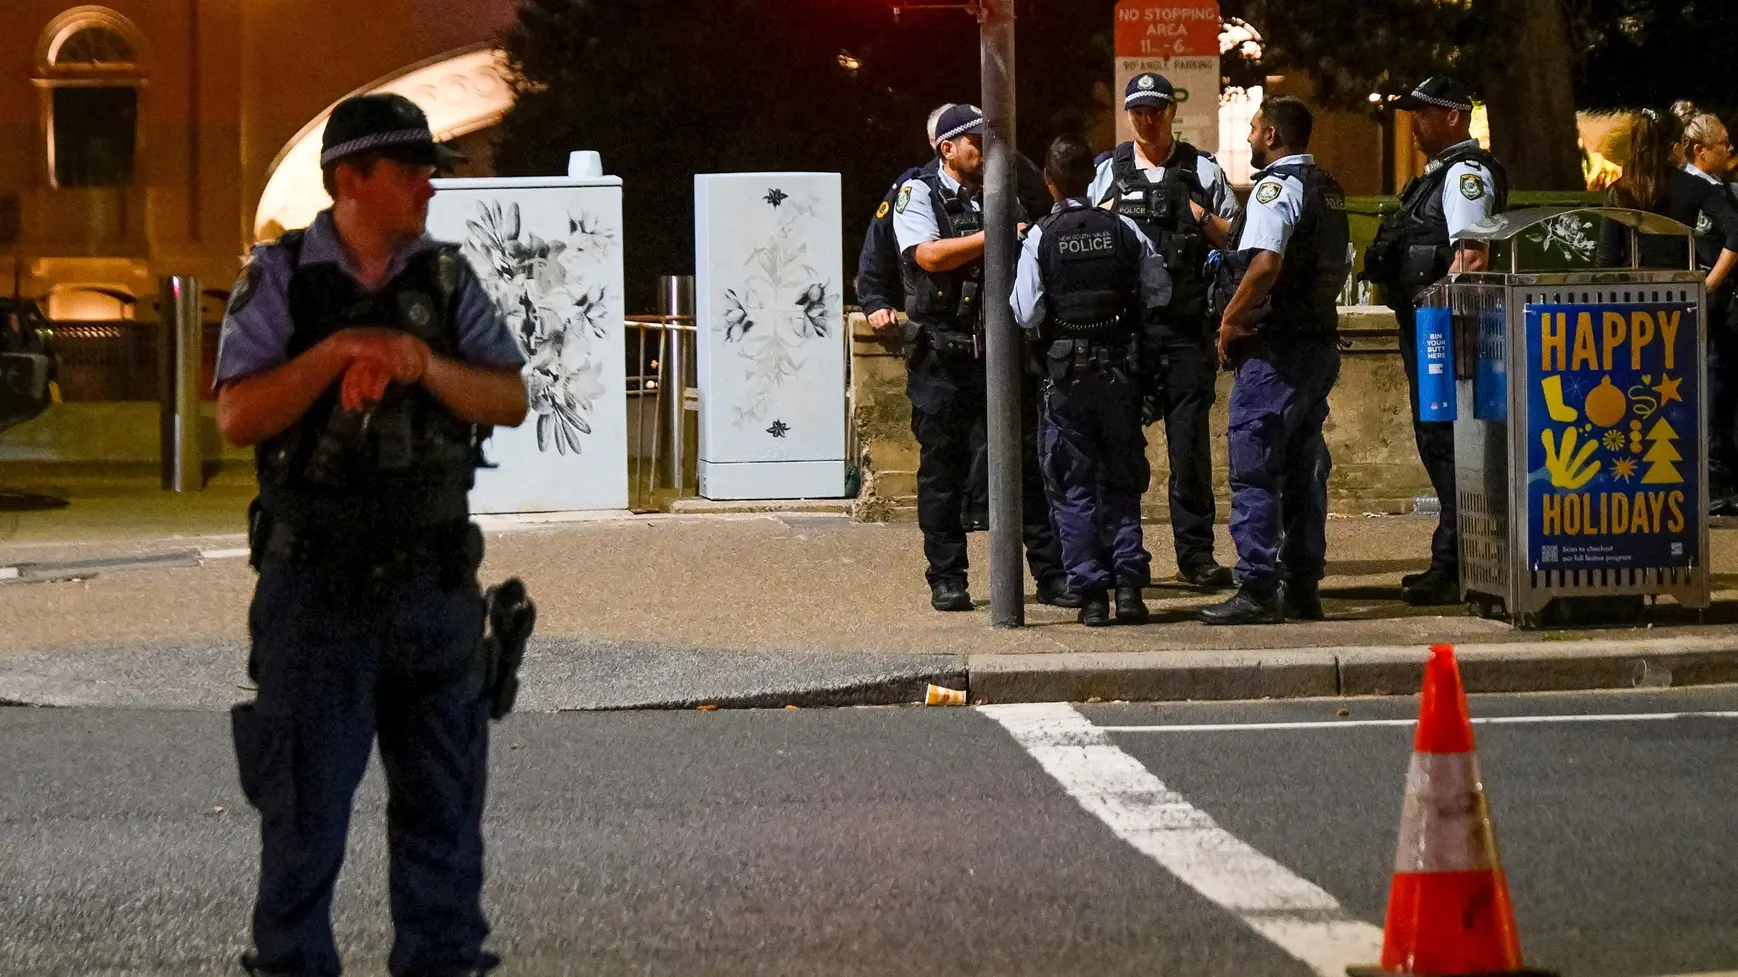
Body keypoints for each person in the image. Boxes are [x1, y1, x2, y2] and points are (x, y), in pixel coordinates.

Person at [216, 93, 529, 977]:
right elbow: (237, 413)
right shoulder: (281, 276)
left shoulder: (444, 279)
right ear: (350, 179)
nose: (430, 184)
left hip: (431, 592)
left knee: (443, 822)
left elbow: (508, 397)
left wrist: (421, 361)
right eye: (410, 170)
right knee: (304, 825)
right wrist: (342, 351)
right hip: (315, 594)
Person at [892, 103, 1070, 611]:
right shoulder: (918, 193)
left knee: (1026, 468)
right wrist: (994, 237)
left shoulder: (1006, 190)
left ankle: (1050, 574)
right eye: (976, 142)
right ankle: (948, 578)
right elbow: (926, 255)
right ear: (947, 149)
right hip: (943, 359)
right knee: (942, 473)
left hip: (1004, 355)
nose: (987, 151)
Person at [1199, 96, 1350, 625]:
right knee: (1304, 468)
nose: (1248, 139)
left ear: (1272, 136)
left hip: (1276, 352)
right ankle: (1304, 586)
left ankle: (1258, 589)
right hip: (1316, 348)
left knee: (1255, 468)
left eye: (1255, 128)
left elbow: (1264, 264)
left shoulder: (1274, 188)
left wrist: (1231, 319)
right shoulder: (1328, 191)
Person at [1360, 76, 1507, 606]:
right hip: (1428, 326)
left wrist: (1445, 333)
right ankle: (1457, 557)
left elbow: (1470, 258)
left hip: (1445, 329)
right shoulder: (1436, 175)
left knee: (1447, 441)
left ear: (1452, 117)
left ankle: (1457, 562)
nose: (1415, 124)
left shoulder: (1465, 173)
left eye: (1424, 113)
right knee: (1437, 439)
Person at [1090, 71, 1240, 589]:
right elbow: (1084, 236)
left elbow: (1238, 243)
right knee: (1117, 450)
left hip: (1184, 332)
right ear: (1127, 114)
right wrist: (1112, 211)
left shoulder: (1202, 170)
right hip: (1125, 335)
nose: (1147, 119)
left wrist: (1197, 216)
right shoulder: (1107, 170)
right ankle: (1122, 555)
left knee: (1190, 451)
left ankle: (1195, 555)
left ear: (1171, 112)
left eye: (1156, 109)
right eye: (1137, 110)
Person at [1014, 135, 1164, 626]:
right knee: (1120, 481)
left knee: (1073, 486)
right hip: (1121, 371)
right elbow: (1159, 291)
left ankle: (1092, 597)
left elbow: (1026, 310)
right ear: (1092, 179)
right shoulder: (1123, 228)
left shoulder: (1042, 235)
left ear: (1049, 182)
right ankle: (1130, 593)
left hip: (1067, 377)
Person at [1598, 107, 1738, 511]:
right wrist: (1708, 284)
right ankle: (1678, 495)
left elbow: (1605, 263)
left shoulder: (1620, 191)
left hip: (1627, 317)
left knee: (1628, 404)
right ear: (1676, 148)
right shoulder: (1692, 189)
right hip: (1678, 313)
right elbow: (1737, 230)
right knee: (1676, 403)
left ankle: (1629, 491)